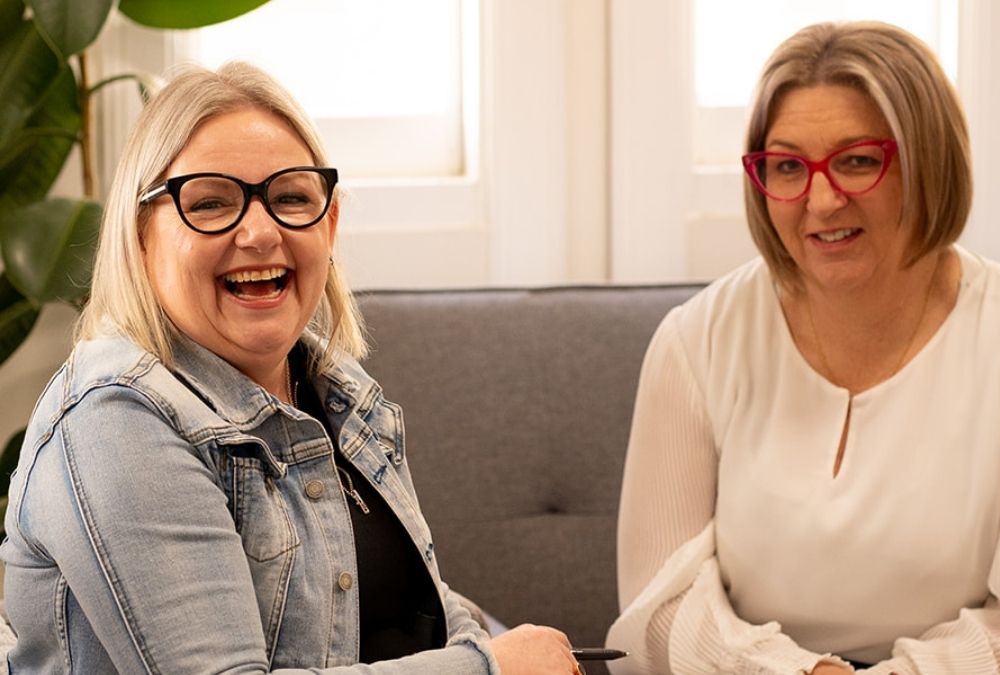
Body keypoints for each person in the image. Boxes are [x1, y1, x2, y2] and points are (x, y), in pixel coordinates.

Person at [0, 62, 582, 674]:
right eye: (210, 202)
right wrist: (490, 669)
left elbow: (423, 601)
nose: (259, 232)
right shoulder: (113, 421)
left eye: (290, 198)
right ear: (141, 235)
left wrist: (498, 649)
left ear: (329, 225)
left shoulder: (337, 388)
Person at [606, 21, 1000, 674]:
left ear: (929, 163)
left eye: (857, 160)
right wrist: (799, 673)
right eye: (787, 166)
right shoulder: (694, 343)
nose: (820, 200)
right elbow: (657, 609)